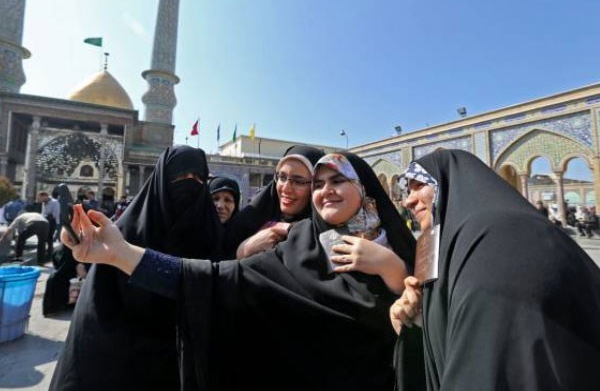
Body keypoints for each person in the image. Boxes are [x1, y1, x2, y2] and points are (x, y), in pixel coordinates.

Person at [61, 151, 419, 391]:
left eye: (337, 181)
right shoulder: (298, 247)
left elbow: (435, 328)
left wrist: (392, 269)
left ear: (364, 188)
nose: (325, 192)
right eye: (320, 183)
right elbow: (214, 281)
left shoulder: (401, 249)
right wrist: (122, 254)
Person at [391, 149, 600, 391]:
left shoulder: (502, 239)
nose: (408, 200)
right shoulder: (457, 242)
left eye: (419, 186)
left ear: (452, 184)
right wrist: (418, 320)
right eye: (407, 190)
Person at [50, 146, 223, 391]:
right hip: (125, 361)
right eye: (180, 177)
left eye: (197, 178)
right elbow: (97, 310)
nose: (189, 184)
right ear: (162, 180)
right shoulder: (124, 232)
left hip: (185, 359)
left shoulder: (211, 232)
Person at [223, 144, 325, 259]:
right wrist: (244, 250)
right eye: (282, 177)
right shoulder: (249, 219)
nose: (286, 188)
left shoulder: (324, 237)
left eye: (299, 181)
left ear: (316, 186)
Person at [38, 190, 60, 257]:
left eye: (41, 198)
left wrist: (47, 216)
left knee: (49, 238)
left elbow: (56, 214)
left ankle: (50, 253)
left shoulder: (55, 202)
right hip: (44, 221)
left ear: (45, 196)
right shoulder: (44, 203)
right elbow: (43, 212)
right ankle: (44, 252)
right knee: (44, 237)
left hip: (52, 222)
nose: (40, 200)